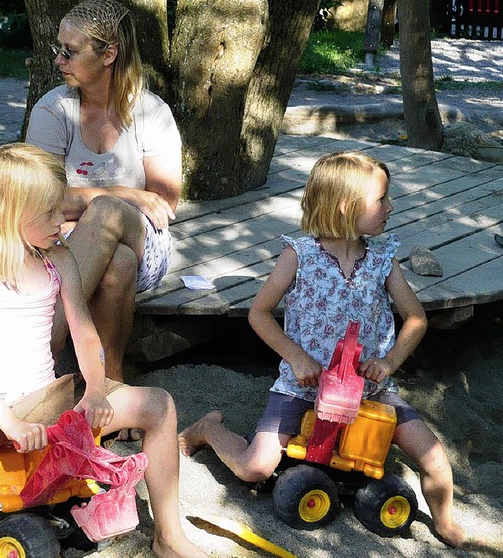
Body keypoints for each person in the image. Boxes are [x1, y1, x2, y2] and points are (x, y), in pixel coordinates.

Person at [0, 143, 205, 558]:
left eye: (62, 210)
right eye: (50, 213)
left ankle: (169, 536)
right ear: (9, 213)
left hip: (47, 397)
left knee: (160, 406)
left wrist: (95, 389)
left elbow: (84, 332)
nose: (63, 221)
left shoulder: (58, 258)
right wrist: (7, 422)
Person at [178, 151, 466, 548]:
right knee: (255, 467)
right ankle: (209, 429)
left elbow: (415, 318)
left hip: (370, 390)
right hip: (304, 386)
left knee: (433, 457)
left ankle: (445, 519)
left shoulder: (383, 259)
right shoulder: (300, 255)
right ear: (347, 207)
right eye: (382, 199)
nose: (391, 207)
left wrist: (389, 361)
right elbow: (259, 313)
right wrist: (296, 357)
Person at [25, 0, 181, 408]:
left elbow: (163, 204)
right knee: (116, 263)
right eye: (58, 48)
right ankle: (109, 386)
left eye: (70, 51)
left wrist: (95, 203)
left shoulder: (151, 113)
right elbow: (40, 198)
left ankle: (42, 349)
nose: (58, 60)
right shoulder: (53, 110)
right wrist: (123, 192)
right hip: (68, 243)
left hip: (145, 240)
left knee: (109, 215)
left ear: (109, 53)